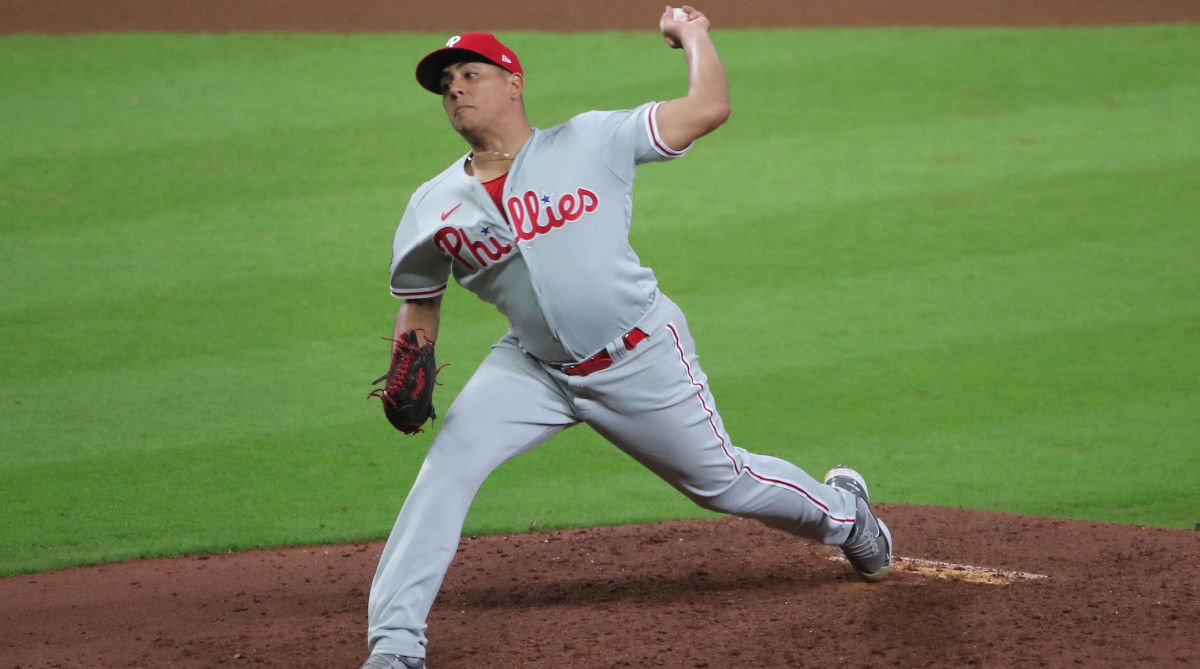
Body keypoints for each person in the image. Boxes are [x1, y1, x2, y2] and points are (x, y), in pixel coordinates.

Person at [361, 7, 892, 668]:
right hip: (531, 369)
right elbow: (419, 299)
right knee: (445, 470)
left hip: (638, 355)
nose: (457, 90)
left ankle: (847, 517)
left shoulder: (590, 140)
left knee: (723, 482)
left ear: (514, 83)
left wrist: (694, 34)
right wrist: (407, 356)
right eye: (446, 86)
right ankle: (394, 647)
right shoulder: (432, 203)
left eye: (471, 73)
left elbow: (708, 107)